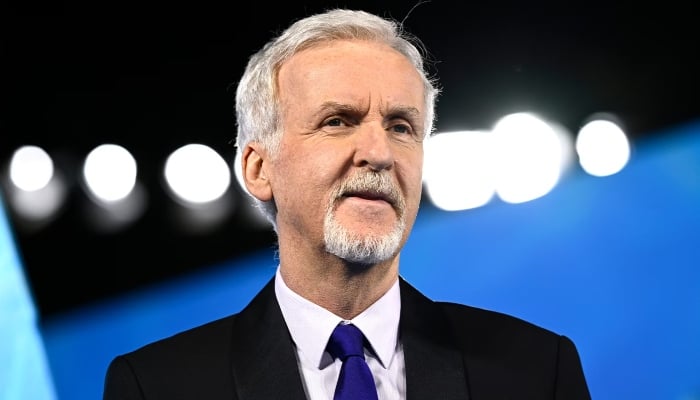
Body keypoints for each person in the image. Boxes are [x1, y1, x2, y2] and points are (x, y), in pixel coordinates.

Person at [103, 8, 591, 399]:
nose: (379, 153)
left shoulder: (535, 371)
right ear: (258, 168)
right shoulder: (158, 386)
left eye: (401, 127)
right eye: (337, 121)